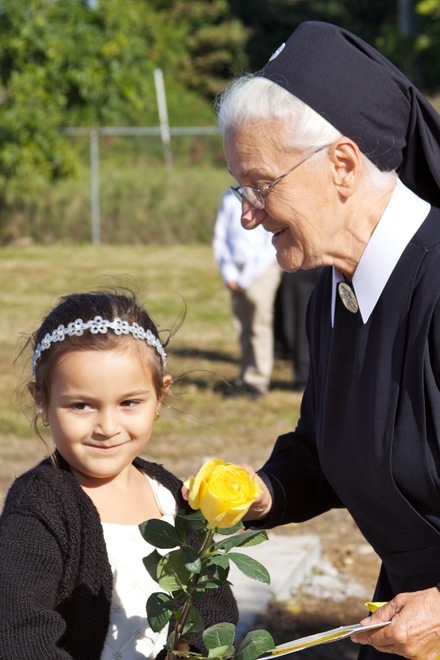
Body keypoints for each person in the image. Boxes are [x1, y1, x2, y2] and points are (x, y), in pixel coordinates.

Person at [214, 20, 440, 660]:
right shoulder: (334, 295)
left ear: (342, 163)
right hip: (403, 617)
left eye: (259, 185)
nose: (246, 214)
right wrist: (263, 493)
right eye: (239, 188)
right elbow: (328, 444)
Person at [0, 289, 238, 658]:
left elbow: (213, 605)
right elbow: (20, 632)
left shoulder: (172, 495)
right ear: (41, 401)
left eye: (129, 403)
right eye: (82, 405)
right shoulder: (39, 506)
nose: (107, 426)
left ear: (160, 396)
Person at [213, 188, 281, 399]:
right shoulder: (228, 196)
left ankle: (258, 380)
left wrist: (246, 277)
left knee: (259, 325)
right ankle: (244, 375)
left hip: (260, 271)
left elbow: (268, 243)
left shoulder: (262, 196)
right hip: (236, 270)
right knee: (242, 326)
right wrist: (230, 273)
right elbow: (221, 236)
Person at [274, 268, 323, 390]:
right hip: (301, 269)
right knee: (298, 323)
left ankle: (306, 378)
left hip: (327, 266)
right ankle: (304, 378)